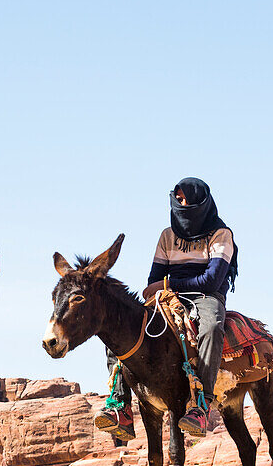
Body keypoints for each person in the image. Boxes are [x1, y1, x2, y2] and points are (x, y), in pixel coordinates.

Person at [94, 177, 238, 439]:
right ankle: (120, 405)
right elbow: (154, 278)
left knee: (211, 327)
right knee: (119, 327)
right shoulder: (167, 235)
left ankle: (200, 404)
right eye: (178, 199)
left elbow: (212, 279)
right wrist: (162, 287)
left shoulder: (221, 234)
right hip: (169, 295)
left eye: (187, 200)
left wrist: (168, 283)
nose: (182, 205)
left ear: (202, 202)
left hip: (206, 296)